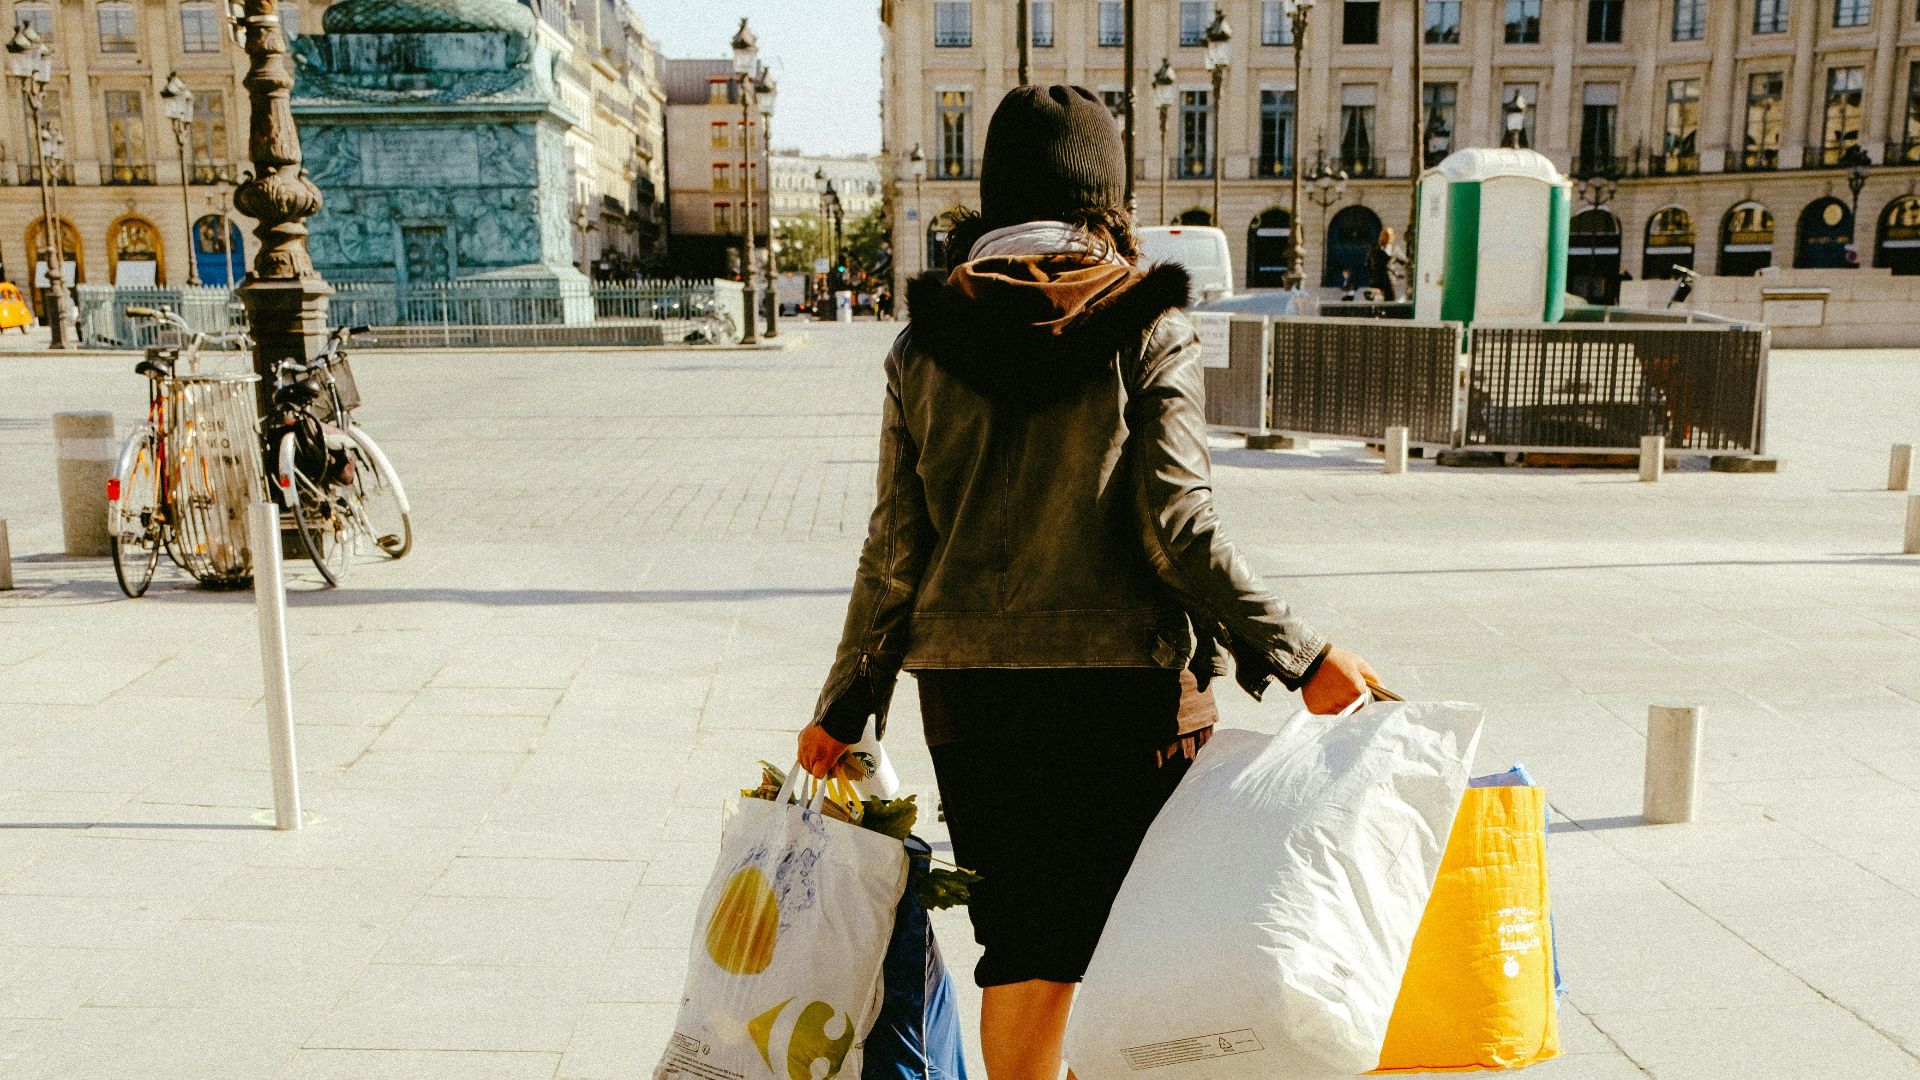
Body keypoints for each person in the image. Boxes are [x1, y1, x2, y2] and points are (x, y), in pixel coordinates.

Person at [796, 84, 1374, 1080]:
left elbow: (896, 552)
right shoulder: (1145, 322)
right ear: (1107, 194)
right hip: (1128, 695)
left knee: (1022, 944)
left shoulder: (922, 342)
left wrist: (847, 706)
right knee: (1139, 943)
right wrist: (1303, 654)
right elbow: (1179, 529)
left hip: (971, 697)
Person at [1369, 227, 1405, 302]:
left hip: (1389, 280)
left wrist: (1397, 273)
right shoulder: (1376, 249)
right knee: (1378, 303)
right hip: (1378, 279)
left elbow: (1405, 262)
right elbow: (1372, 263)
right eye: (1385, 235)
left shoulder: (1394, 249)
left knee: (1389, 300)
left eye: (1388, 235)